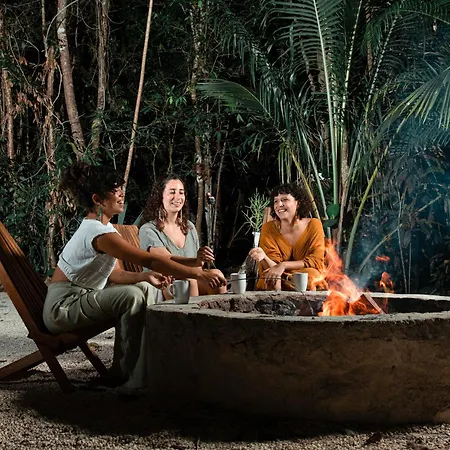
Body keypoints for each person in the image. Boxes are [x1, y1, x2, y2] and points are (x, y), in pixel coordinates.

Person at [43, 162, 226, 392]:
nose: (122, 194)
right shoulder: (97, 232)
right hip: (63, 307)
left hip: (80, 299)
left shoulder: (105, 229)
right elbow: (150, 260)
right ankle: (127, 373)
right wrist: (197, 272)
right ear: (98, 199)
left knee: (144, 288)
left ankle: (133, 369)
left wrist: (146, 278)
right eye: (115, 190)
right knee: (132, 296)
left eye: (121, 189)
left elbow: (116, 274)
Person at [139, 174, 227, 298]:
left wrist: (201, 258)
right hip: (162, 282)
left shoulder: (189, 227)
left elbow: (198, 267)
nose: (178, 197)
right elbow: (165, 261)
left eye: (181, 192)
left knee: (217, 275)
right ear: (160, 196)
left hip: (190, 277)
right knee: (188, 282)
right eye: (172, 192)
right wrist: (195, 261)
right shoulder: (148, 229)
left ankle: (218, 311)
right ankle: (192, 311)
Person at [248, 183, 325, 291]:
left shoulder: (314, 225)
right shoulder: (268, 228)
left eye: (284, 200)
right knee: (272, 278)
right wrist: (264, 257)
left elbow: (315, 261)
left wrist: (283, 265)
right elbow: (273, 267)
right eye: (276, 201)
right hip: (276, 275)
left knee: (310, 277)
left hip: (306, 273)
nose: (279, 204)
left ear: (298, 203)